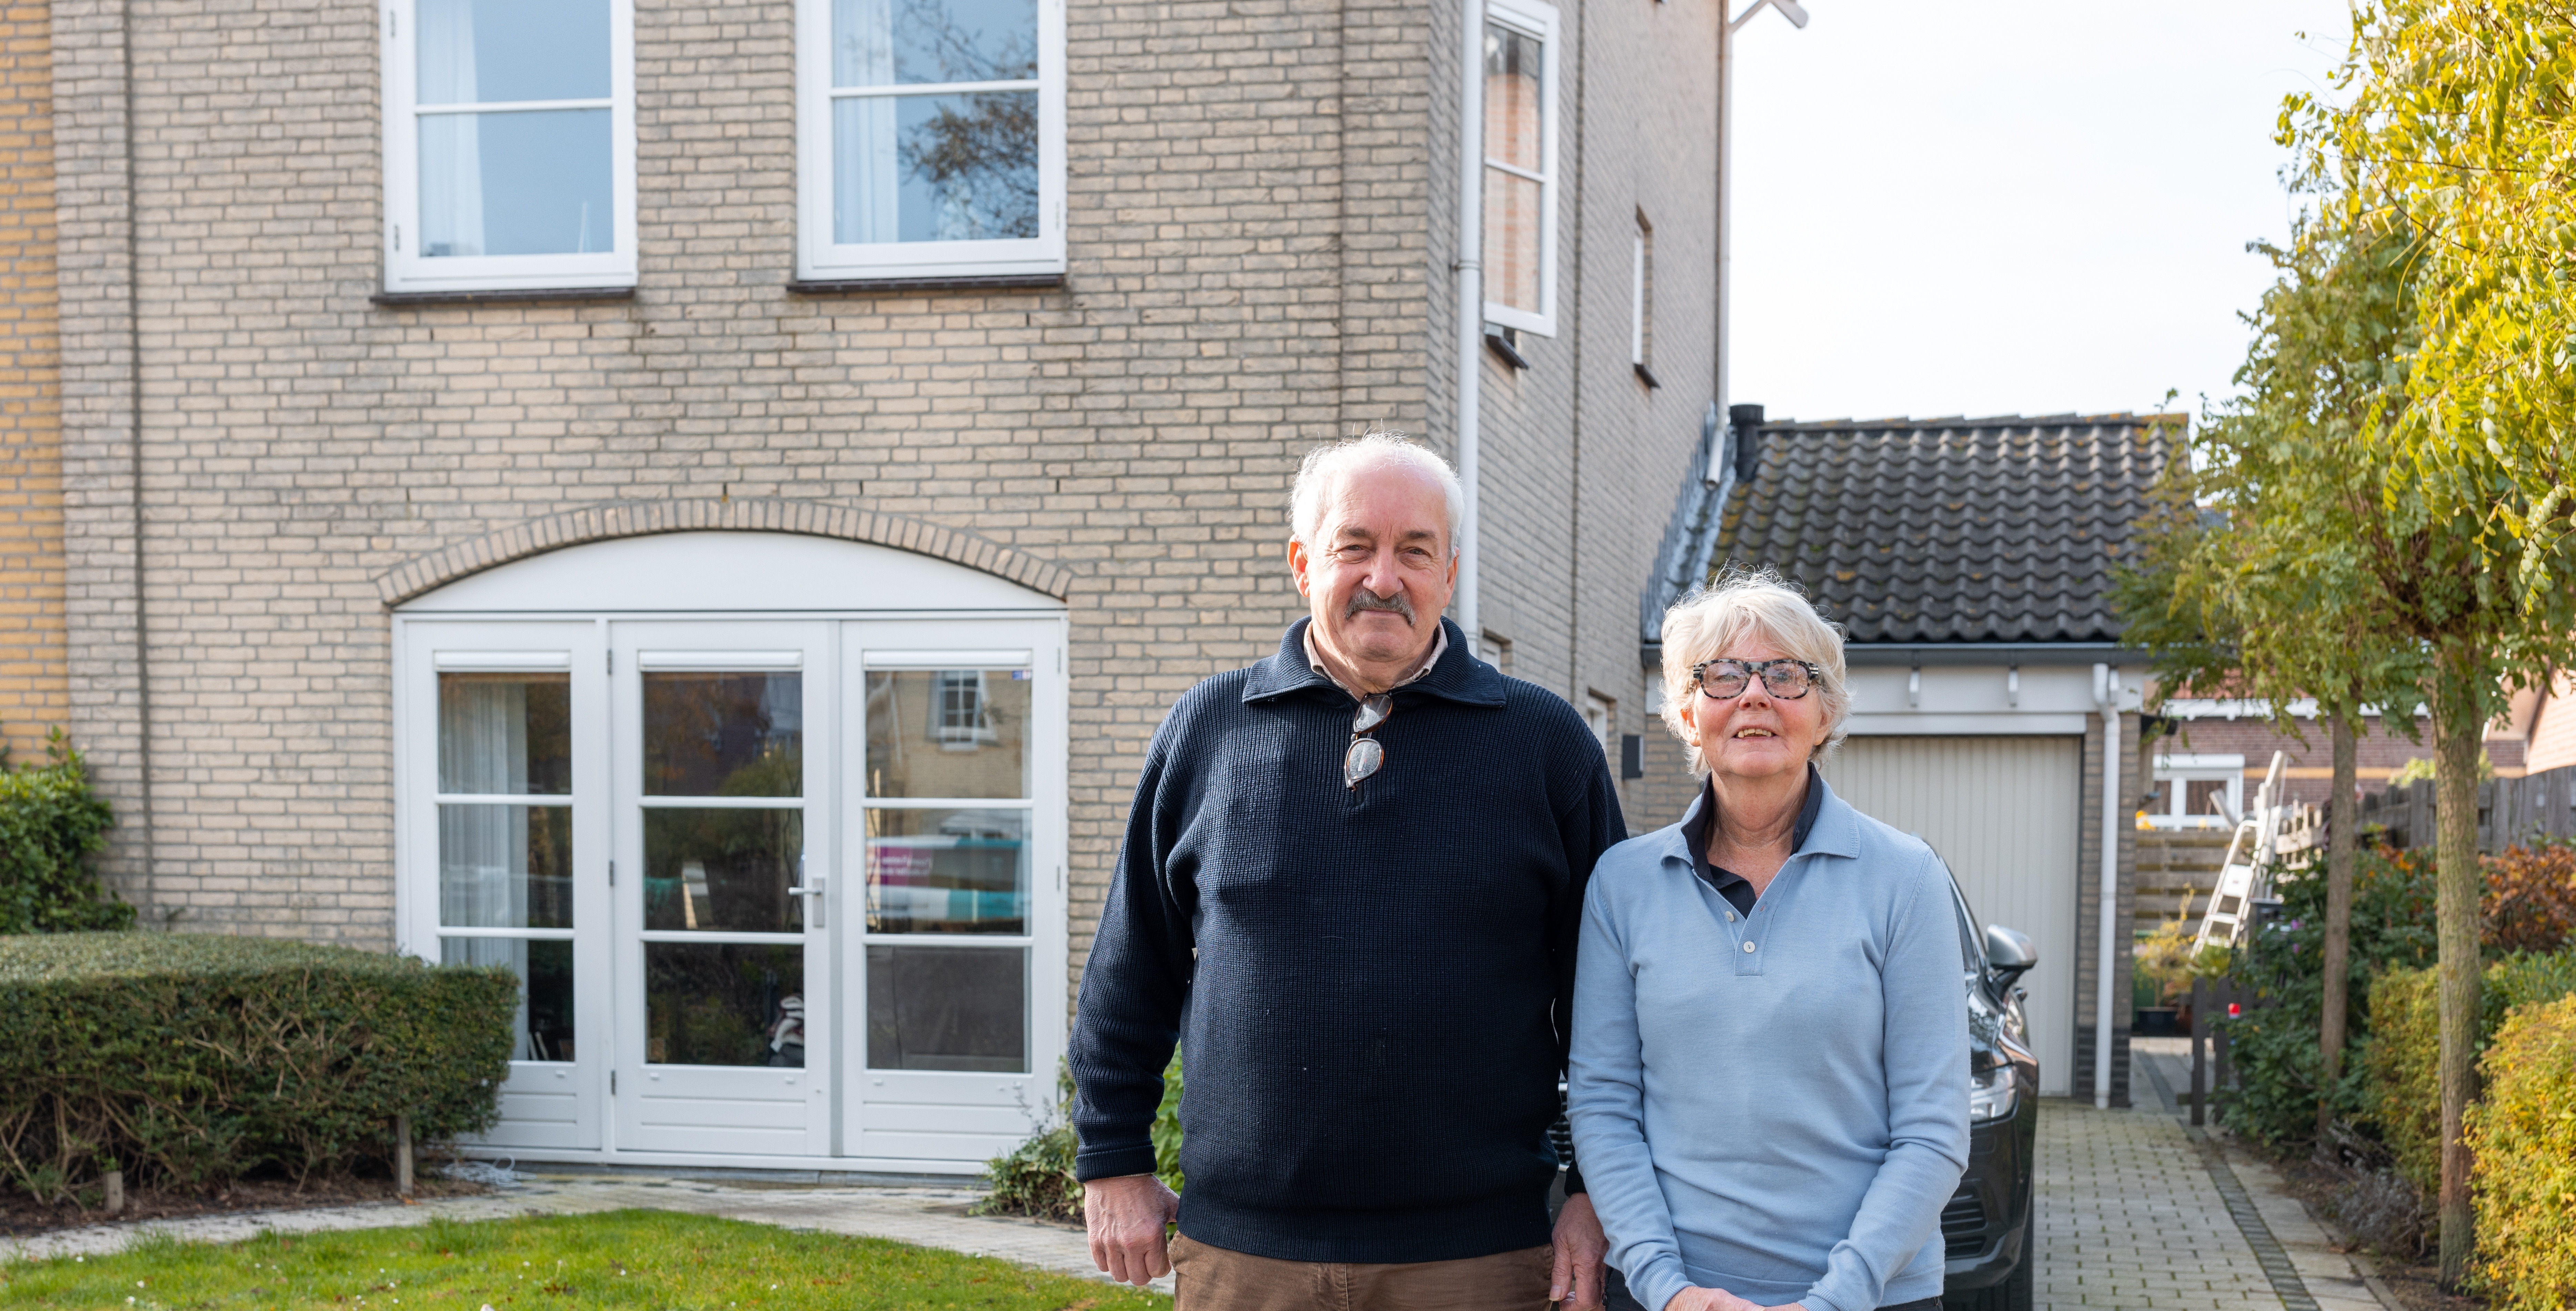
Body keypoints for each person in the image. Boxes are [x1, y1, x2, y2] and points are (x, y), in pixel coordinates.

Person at [1069, 431, 1625, 1310]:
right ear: (1302, 563)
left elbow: (1609, 1002)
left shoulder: (1546, 746)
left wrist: (1595, 1193)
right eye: (1354, 547)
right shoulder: (1208, 729)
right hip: (1245, 1260)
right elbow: (1129, 970)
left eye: (1414, 551)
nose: (1384, 577)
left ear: (1449, 572)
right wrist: (1112, 1161)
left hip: (1477, 1262)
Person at [1567, 572, 1969, 1311]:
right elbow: (1603, 1106)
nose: (1754, 695)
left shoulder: (1906, 879)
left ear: (1825, 712)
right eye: (1722, 675)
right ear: (1689, 715)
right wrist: (1666, 1289)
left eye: (1785, 674)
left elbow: (1932, 1132)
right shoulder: (1622, 885)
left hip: (1872, 1297)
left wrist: (1833, 1301)